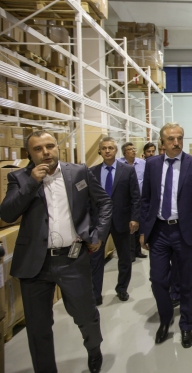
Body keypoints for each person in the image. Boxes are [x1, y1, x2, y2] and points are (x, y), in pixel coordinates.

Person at [0, 130, 112, 373]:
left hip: (72, 258)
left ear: (57, 147)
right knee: (38, 327)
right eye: (38, 149)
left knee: (86, 315)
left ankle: (94, 348)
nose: (46, 152)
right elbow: (7, 213)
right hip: (34, 264)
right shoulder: (19, 177)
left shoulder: (79, 172)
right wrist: (32, 182)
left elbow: (104, 202)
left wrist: (98, 234)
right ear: (28, 154)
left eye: (50, 146)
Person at [140, 122, 192, 348]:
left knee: (187, 281)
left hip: (185, 230)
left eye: (180, 138)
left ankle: (187, 325)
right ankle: (165, 318)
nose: (176, 142)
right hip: (159, 231)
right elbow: (146, 200)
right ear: (162, 142)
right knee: (158, 280)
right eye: (171, 139)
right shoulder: (152, 164)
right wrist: (144, 231)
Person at [90, 137, 141, 305]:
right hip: (99, 222)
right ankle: (96, 294)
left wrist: (134, 218)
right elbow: (88, 198)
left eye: (110, 148)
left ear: (116, 150)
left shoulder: (127, 170)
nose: (107, 151)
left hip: (122, 220)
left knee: (125, 257)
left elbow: (135, 196)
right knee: (95, 258)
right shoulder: (92, 172)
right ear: (99, 151)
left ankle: (122, 288)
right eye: (104, 148)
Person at [119, 141, 147, 261]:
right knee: (129, 227)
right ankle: (130, 253)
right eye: (130, 149)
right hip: (126, 201)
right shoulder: (119, 164)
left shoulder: (142, 163)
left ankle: (137, 250)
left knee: (139, 226)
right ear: (124, 152)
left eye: (134, 149)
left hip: (140, 200)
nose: (133, 151)